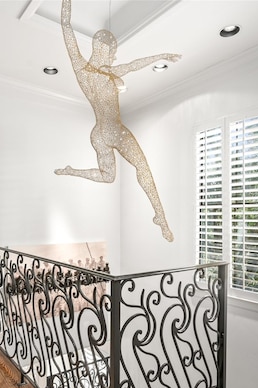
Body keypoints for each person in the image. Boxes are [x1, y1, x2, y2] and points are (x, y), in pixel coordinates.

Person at [55, 0, 181, 242]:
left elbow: (133, 65)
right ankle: (161, 218)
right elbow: (66, 26)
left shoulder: (88, 71)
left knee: (108, 176)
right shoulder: (94, 70)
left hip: (98, 133)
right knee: (142, 166)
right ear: (102, 48)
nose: (115, 56)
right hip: (113, 130)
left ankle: (71, 171)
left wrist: (161, 55)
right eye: (113, 51)